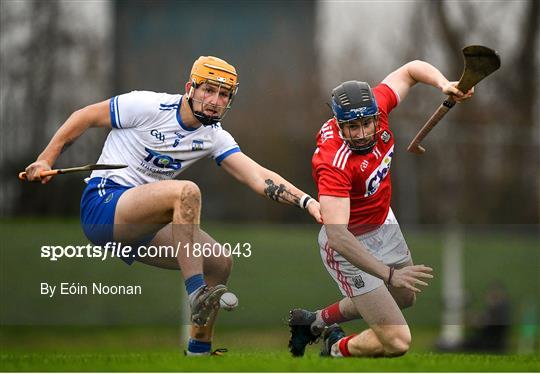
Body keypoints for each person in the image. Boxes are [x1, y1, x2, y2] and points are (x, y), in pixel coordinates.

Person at [24, 55, 321, 356]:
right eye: (209, 90)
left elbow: (259, 176)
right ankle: (196, 292)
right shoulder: (147, 105)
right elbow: (83, 117)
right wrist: (45, 159)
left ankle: (198, 351)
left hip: (142, 223)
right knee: (186, 192)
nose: (216, 101)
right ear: (189, 88)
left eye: (224, 95)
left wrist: (307, 202)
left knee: (219, 262)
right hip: (104, 206)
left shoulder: (213, 136)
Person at [288, 60, 474, 358]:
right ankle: (335, 348)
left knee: (405, 296)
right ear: (339, 123)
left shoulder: (378, 107)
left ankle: (315, 322)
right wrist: (387, 274)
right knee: (397, 342)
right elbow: (337, 236)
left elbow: (411, 70)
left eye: (366, 124)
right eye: (352, 127)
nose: (361, 133)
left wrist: (443, 84)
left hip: (383, 224)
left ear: (375, 115)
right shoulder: (333, 161)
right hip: (347, 244)